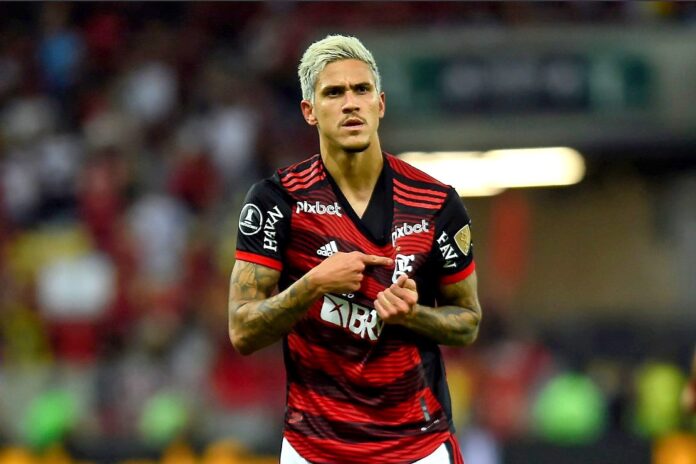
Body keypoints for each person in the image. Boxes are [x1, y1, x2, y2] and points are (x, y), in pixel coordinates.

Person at [228, 34, 481, 464]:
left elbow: (468, 322)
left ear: (380, 104)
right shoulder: (278, 201)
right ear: (309, 110)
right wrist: (313, 284)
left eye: (361, 90)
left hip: (417, 447)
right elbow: (241, 331)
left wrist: (413, 315)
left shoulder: (436, 202)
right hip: (314, 449)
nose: (351, 104)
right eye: (334, 93)